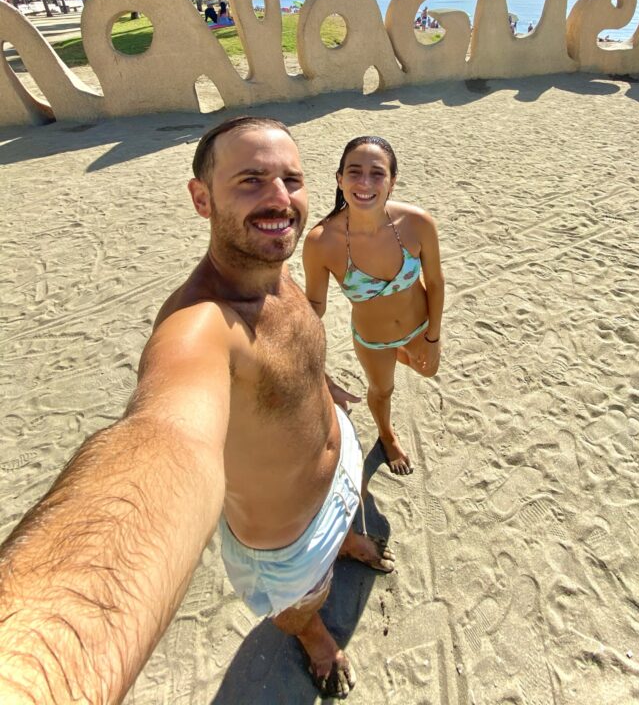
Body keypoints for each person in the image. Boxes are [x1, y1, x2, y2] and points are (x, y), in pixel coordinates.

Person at [0, 116, 394, 703]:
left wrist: (320, 386)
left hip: (336, 481)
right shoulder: (201, 324)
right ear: (200, 198)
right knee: (303, 603)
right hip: (285, 539)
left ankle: (343, 542)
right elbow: (163, 437)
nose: (279, 199)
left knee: (338, 543)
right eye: (251, 180)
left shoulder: (274, 271)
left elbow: (289, 361)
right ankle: (315, 638)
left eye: (292, 178)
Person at [303, 136, 444, 476]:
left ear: (392, 182)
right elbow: (313, 308)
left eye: (377, 174)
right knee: (382, 390)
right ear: (340, 179)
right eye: (354, 172)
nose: (365, 183)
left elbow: (436, 282)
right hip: (373, 339)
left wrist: (433, 338)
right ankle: (387, 435)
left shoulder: (417, 223)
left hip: (420, 326)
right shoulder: (322, 242)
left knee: (428, 370)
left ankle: (404, 352)